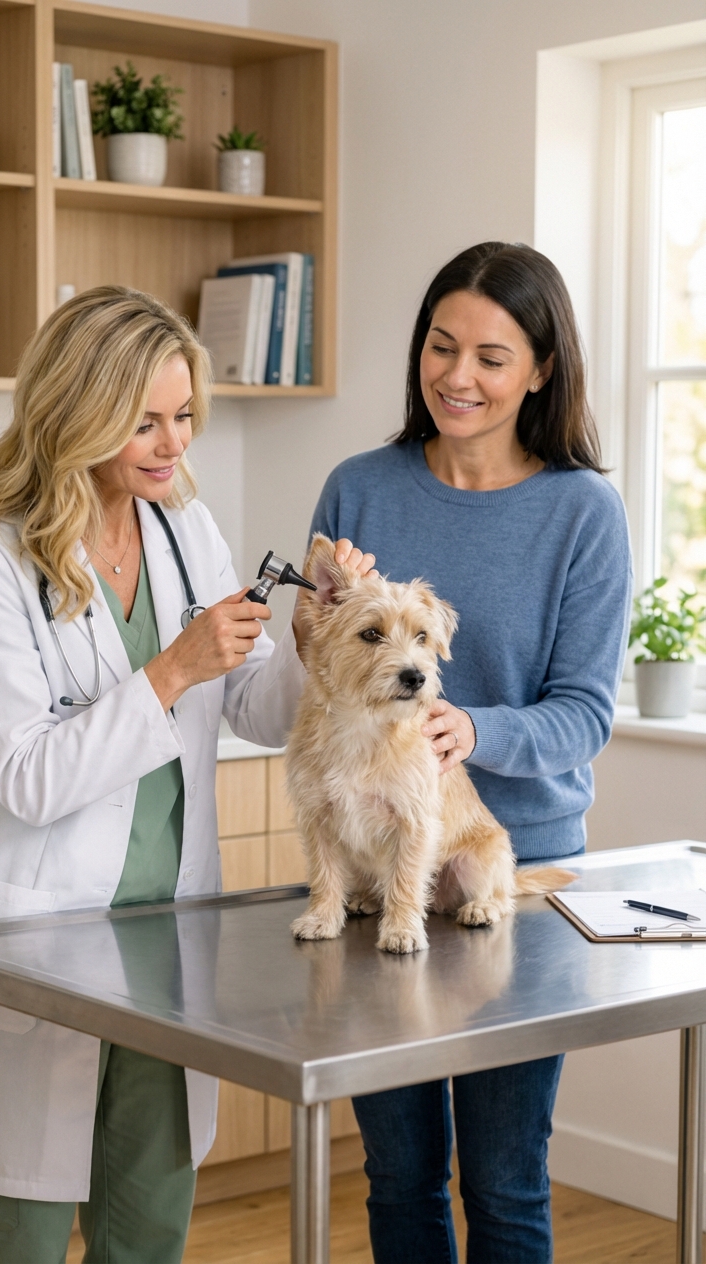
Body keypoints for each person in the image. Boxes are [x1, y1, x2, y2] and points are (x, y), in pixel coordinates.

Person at [0, 286, 372, 1264]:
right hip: (40, 939)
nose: (173, 446)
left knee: (147, 1226)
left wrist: (306, 635)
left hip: (164, 942)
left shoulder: (184, 529)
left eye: (183, 419)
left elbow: (250, 706)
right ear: (75, 408)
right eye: (144, 421)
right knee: (22, 1236)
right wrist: (170, 666)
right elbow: (30, 777)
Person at [309, 242, 633, 1264]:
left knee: (502, 1180)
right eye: (440, 347)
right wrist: (316, 609)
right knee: (398, 1175)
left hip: (504, 868)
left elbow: (584, 711)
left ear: (540, 367)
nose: (457, 376)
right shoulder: (356, 488)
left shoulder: (582, 510)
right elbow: (319, 665)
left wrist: (473, 728)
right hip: (373, 875)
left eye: (492, 356)